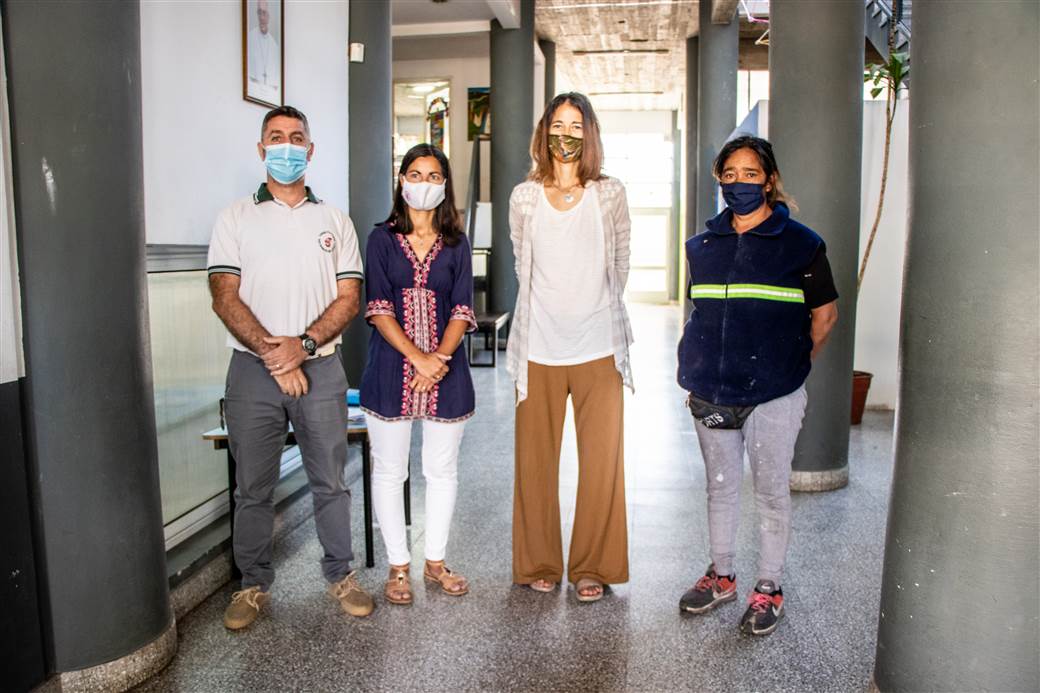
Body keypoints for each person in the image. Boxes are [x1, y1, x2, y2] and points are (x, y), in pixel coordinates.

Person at [207, 105, 373, 630]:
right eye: (275, 138)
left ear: (310, 150)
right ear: (261, 150)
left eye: (295, 138)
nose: (285, 146)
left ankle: (340, 576)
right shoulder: (235, 216)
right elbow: (224, 296)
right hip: (252, 372)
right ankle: (252, 585)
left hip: (320, 368)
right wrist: (275, 357)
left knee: (330, 482)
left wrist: (301, 346)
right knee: (252, 488)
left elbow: (350, 297)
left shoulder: (334, 220)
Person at [676, 136, 839, 636]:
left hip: (774, 393)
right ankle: (722, 575)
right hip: (712, 389)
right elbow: (701, 312)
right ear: (718, 180)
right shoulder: (700, 247)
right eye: (730, 174)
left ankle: (769, 587)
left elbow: (825, 316)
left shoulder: (803, 244)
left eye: (751, 174)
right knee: (720, 489)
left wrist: (791, 365)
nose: (740, 183)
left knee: (771, 492)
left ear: (769, 181)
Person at [507, 92, 634, 603]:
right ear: (544, 132)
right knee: (535, 462)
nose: (567, 134)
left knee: (602, 463)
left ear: (590, 133)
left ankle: (592, 567)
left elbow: (621, 260)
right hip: (538, 347)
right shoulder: (524, 197)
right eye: (558, 124)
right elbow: (523, 264)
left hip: (598, 345)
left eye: (576, 125)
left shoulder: (610, 193)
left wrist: (592, 306)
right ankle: (539, 561)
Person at [360, 144, 477, 605]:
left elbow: (463, 308)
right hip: (390, 368)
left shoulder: (457, 243)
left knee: (441, 470)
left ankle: (434, 562)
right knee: (389, 470)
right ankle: (398, 567)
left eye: (433, 175)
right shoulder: (380, 239)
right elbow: (379, 305)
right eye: (415, 173)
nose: (423, 183)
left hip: (446, 371)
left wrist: (438, 361)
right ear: (401, 179)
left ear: (444, 185)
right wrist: (419, 359)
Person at [247, 0, 280, 100]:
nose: (261, 17)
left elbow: (276, 85)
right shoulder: (250, 38)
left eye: (264, 13)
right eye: (259, 12)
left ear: (269, 16)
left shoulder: (275, 46)